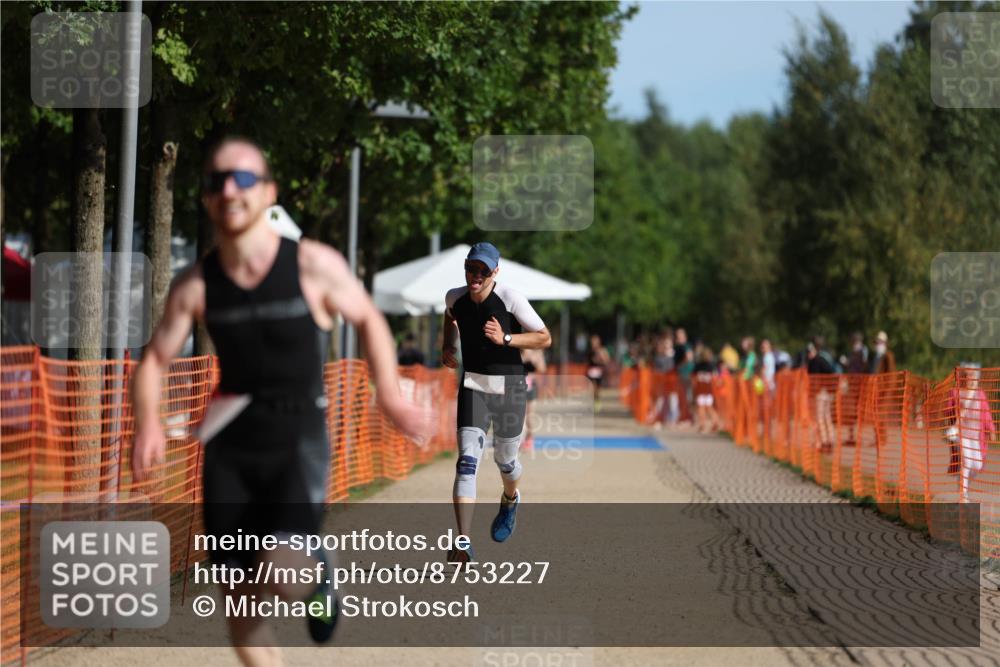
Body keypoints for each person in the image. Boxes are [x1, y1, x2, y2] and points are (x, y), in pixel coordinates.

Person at [131, 136, 431, 664]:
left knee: (281, 568)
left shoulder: (312, 264)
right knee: (241, 614)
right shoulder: (195, 285)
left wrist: (389, 394)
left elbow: (367, 318)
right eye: (216, 180)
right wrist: (148, 424)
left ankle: (318, 579)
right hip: (229, 448)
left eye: (243, 178)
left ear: (267, 191)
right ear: (205, 197)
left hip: (297, 438)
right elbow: (154, 359)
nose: (229, 189)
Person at [440, 242, 551, 564]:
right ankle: (462, 541)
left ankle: (510, 497)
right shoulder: (454, 298)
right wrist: (448, 345)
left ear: (495, 272)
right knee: (467, 462)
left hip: (510, 389)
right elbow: (450, 317)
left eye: (483, 270)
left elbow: (544, 337)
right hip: (473, 385)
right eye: (471, 268)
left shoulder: (510, 298)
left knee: (506, 461)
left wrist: (506, 339)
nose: (476, 275)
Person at [952, 366, 995, 501]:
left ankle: (963, 482)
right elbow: (949, 410)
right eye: (968, 376)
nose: (971, 379)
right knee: (967, 462)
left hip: (976, 436)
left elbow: (986, 413)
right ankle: (963, 496)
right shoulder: (956, 392)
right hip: (962, 434)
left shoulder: (980, 394)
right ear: (964, 378)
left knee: (977, 464)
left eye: (973, 377)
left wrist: (991, 429)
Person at [521, 347, 547, 449]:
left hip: (531, 386)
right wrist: (524, 357)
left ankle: (529, 438)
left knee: (530, 417)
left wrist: (533, 359)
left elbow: (542, 368)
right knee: (520, 417)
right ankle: (519, 440)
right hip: (518, 386)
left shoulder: (537, 351)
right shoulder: (518, 348)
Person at [586, 334, 611, 409]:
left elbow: (607, 360)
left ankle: (597, 401)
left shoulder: (602, 350)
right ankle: (592, 402)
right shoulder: (590, 350)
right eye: (592, 342)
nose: (593, 343)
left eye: (595, 341)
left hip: (599, 371)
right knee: (592, 387)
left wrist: (600, 360)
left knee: (597, 389)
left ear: (598, 342)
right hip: (591, 371)